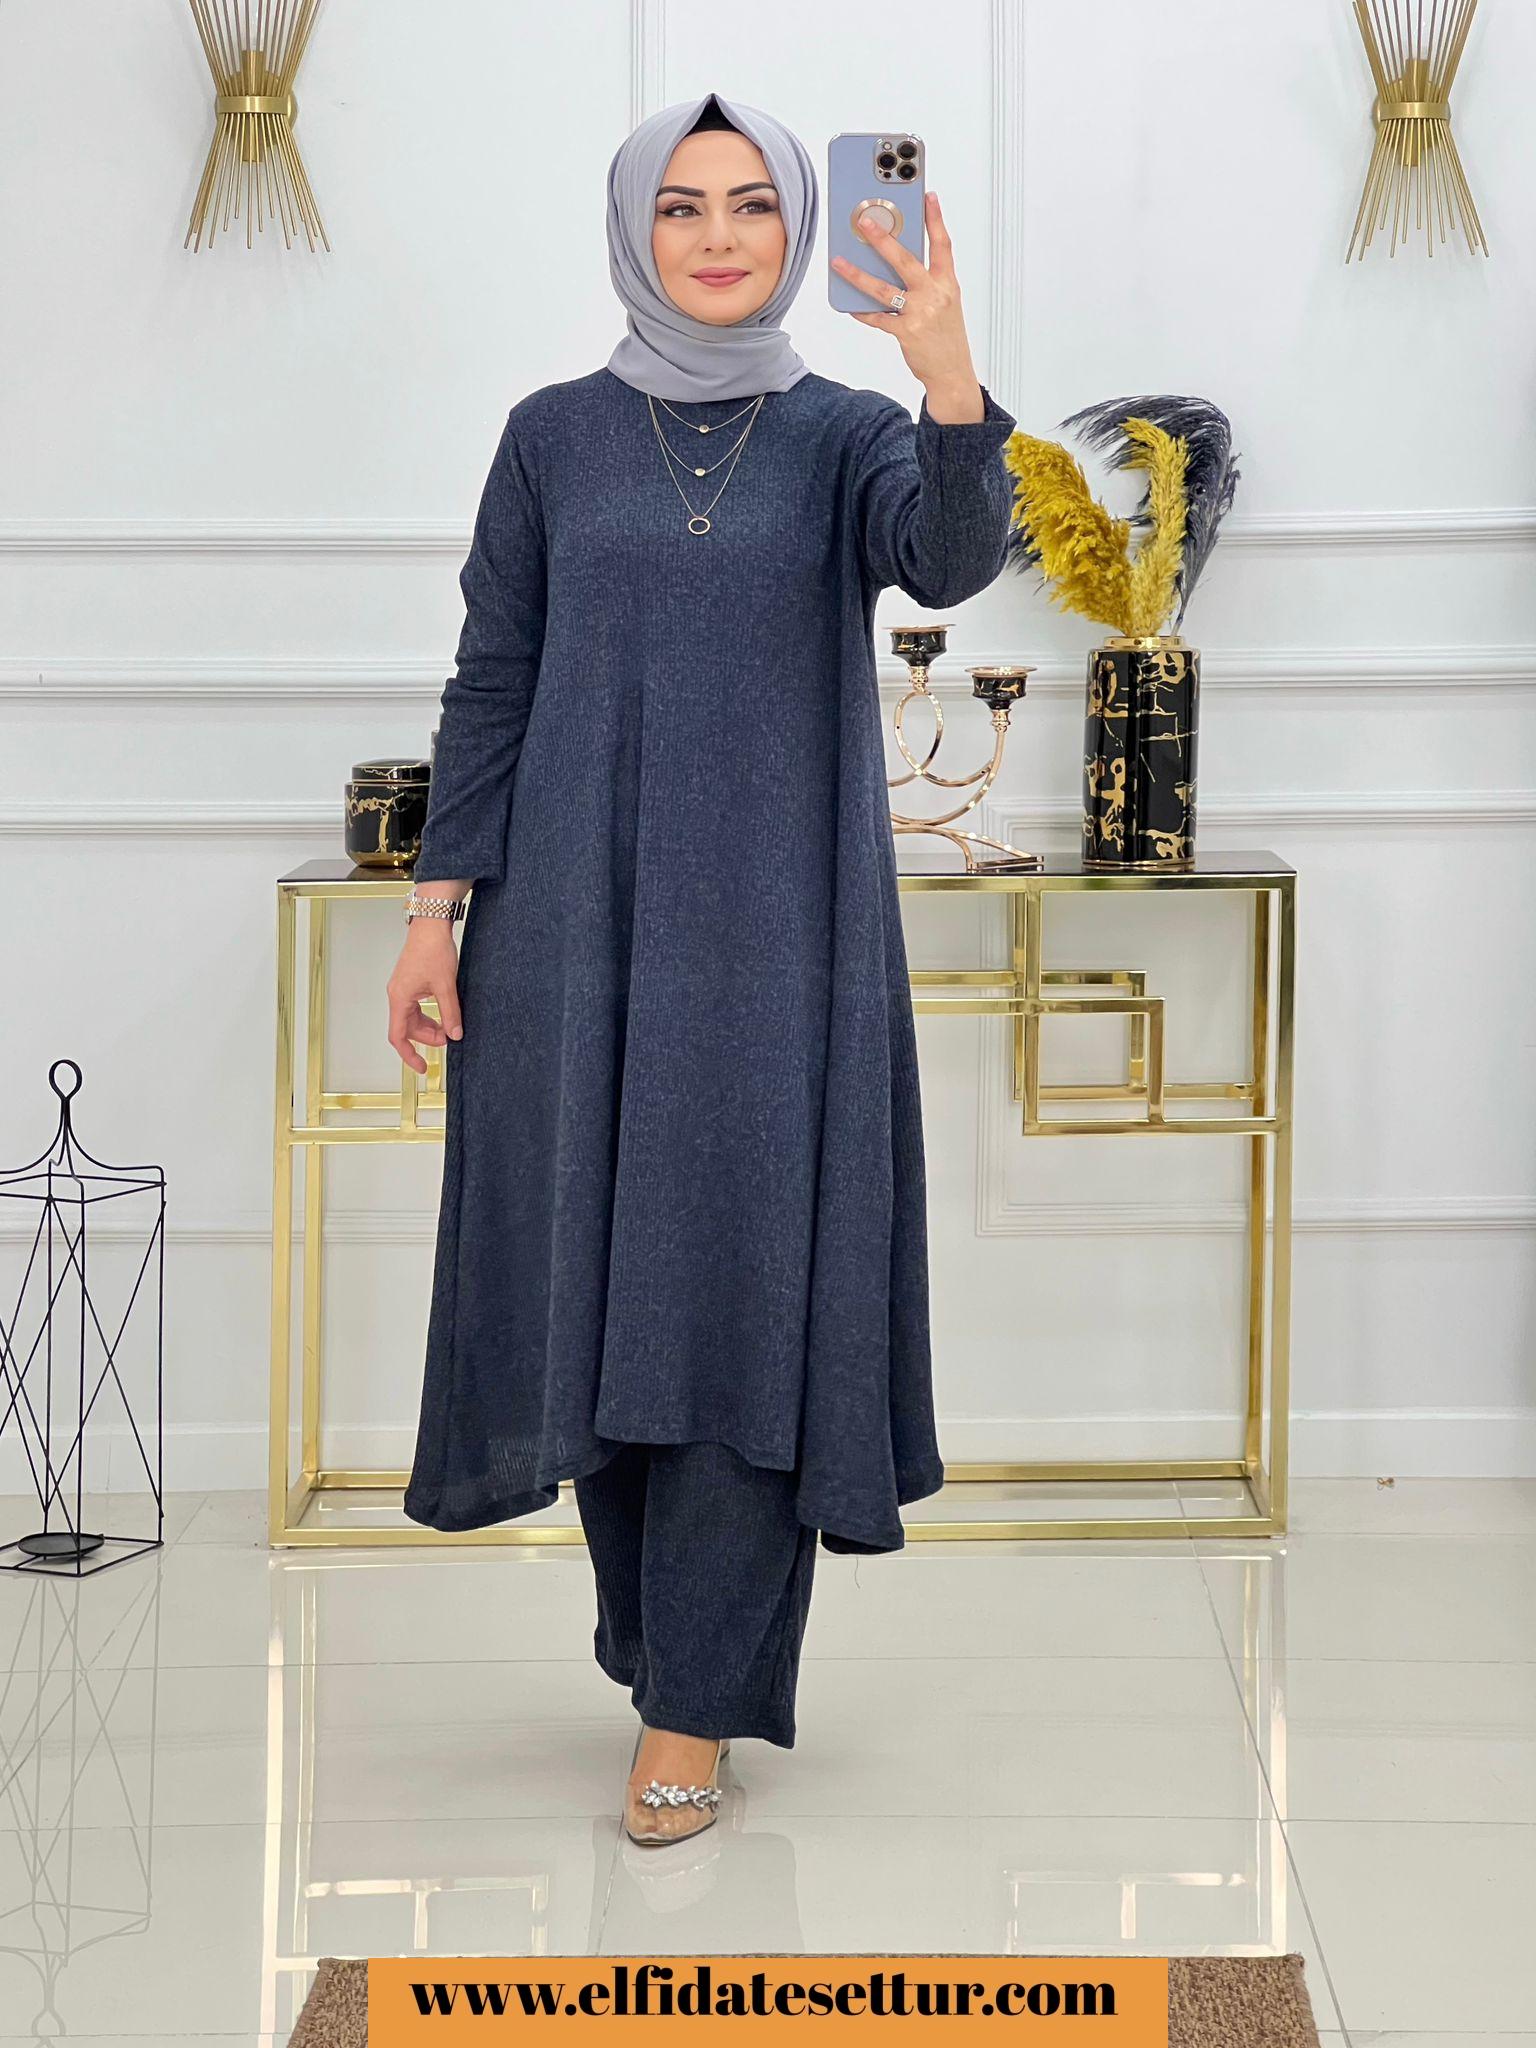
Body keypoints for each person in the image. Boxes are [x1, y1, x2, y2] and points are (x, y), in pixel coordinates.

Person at [387, 91, 1017, 1848]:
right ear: (633, 229)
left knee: (742, 1290)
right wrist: (436, 911)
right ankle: (669, 1648)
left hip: (776, 944)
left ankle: (689, 1704)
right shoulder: (550, 437)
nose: (721, 235)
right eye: (682, 206)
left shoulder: (847, 435)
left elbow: (952, 557)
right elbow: (494, 676)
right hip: (569, 930)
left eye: (753, 204)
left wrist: (947, 371)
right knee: (599, 1288)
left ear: (803, 230)